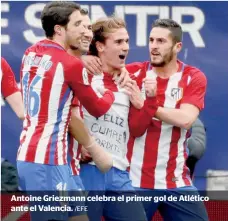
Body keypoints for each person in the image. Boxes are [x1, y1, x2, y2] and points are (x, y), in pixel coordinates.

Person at [17, 2, 116, 221]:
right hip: (47, 162)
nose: (85, 31)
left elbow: (61, 97)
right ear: (59, 29)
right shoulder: (71, 65)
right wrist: (110, 90)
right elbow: (97, 108)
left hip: (43, 157)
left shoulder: (29, 53)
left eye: (87, 26)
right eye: (78, 24)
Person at [70, 16, 158, 221]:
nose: (125, 47)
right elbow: (63, 114)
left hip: (118, 172)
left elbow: (136, 130)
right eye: (118, 42)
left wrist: (146, 103)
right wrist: (80, 145)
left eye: (126, 41)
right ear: (100, 46)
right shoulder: (81, 73)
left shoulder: (129, 80)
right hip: (86, 170)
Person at [126, 19, 208, 221]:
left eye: (161, 41)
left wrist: (147, 106)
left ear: (177, 46)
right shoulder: (131, 73)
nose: (153, 46)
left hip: (176, 181)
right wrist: (85, 60)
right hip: (135, 180)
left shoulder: (192, 77)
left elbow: (186, 119)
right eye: (151, 40)